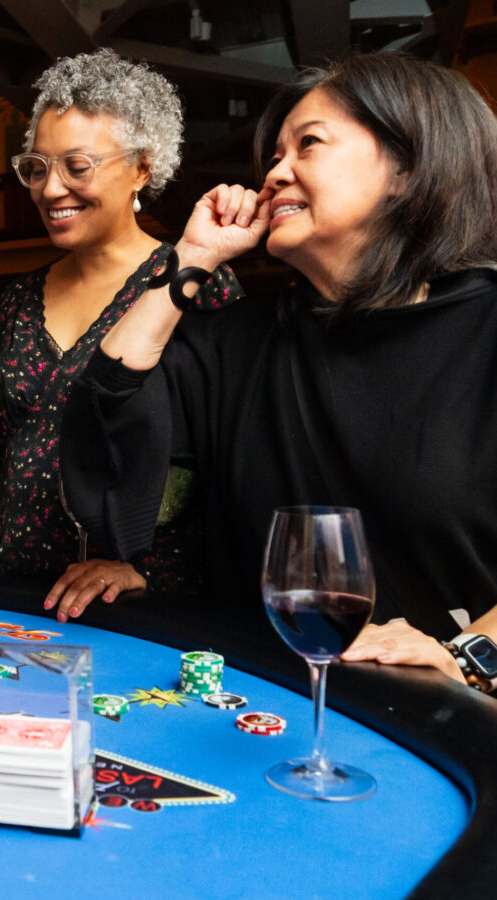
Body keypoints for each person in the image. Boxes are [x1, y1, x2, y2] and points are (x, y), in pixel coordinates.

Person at [62, 52, 497, 691]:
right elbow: (103, 449)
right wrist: (190, 259)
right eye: (273, 155)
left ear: (406, 167)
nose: (274, 173)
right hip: (262, 718)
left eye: (308, 145)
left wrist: (469, 655)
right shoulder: (235, 341)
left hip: (453, 731)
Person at [0, 50, 236, 620]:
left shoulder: (194, 284)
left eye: (77, 166)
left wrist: (143, 568)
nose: (49, 188)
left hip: (139, 608)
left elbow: (226, 468)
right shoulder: (18, 301)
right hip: (15, 601)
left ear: (141, 167)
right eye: (37, 167)